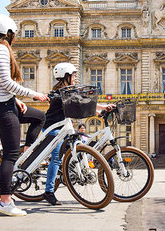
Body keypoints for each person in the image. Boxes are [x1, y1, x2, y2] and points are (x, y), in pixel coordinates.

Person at [0, 14, 48, 216]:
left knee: (38, 117)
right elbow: (5, 81)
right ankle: (5, 202)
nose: (15, 38)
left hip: (5, 101)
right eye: (14, 34)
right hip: (0, 105)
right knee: (10, 155)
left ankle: (27, 151)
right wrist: (33, 94)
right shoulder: (1, 49)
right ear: (8, 33)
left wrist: (15, 99)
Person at [42, 62, 113, 206]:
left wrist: (99, 111)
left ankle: (70, 171)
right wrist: (102, 106)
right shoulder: (63, 92)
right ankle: (48, 192)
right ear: (66, 76)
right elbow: (82, 101)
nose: (75, 77)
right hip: (53, 128)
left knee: (77, 144)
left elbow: (80, 104)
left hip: (62, 127)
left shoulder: (66, 90)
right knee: (56, 158)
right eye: (73, 75)